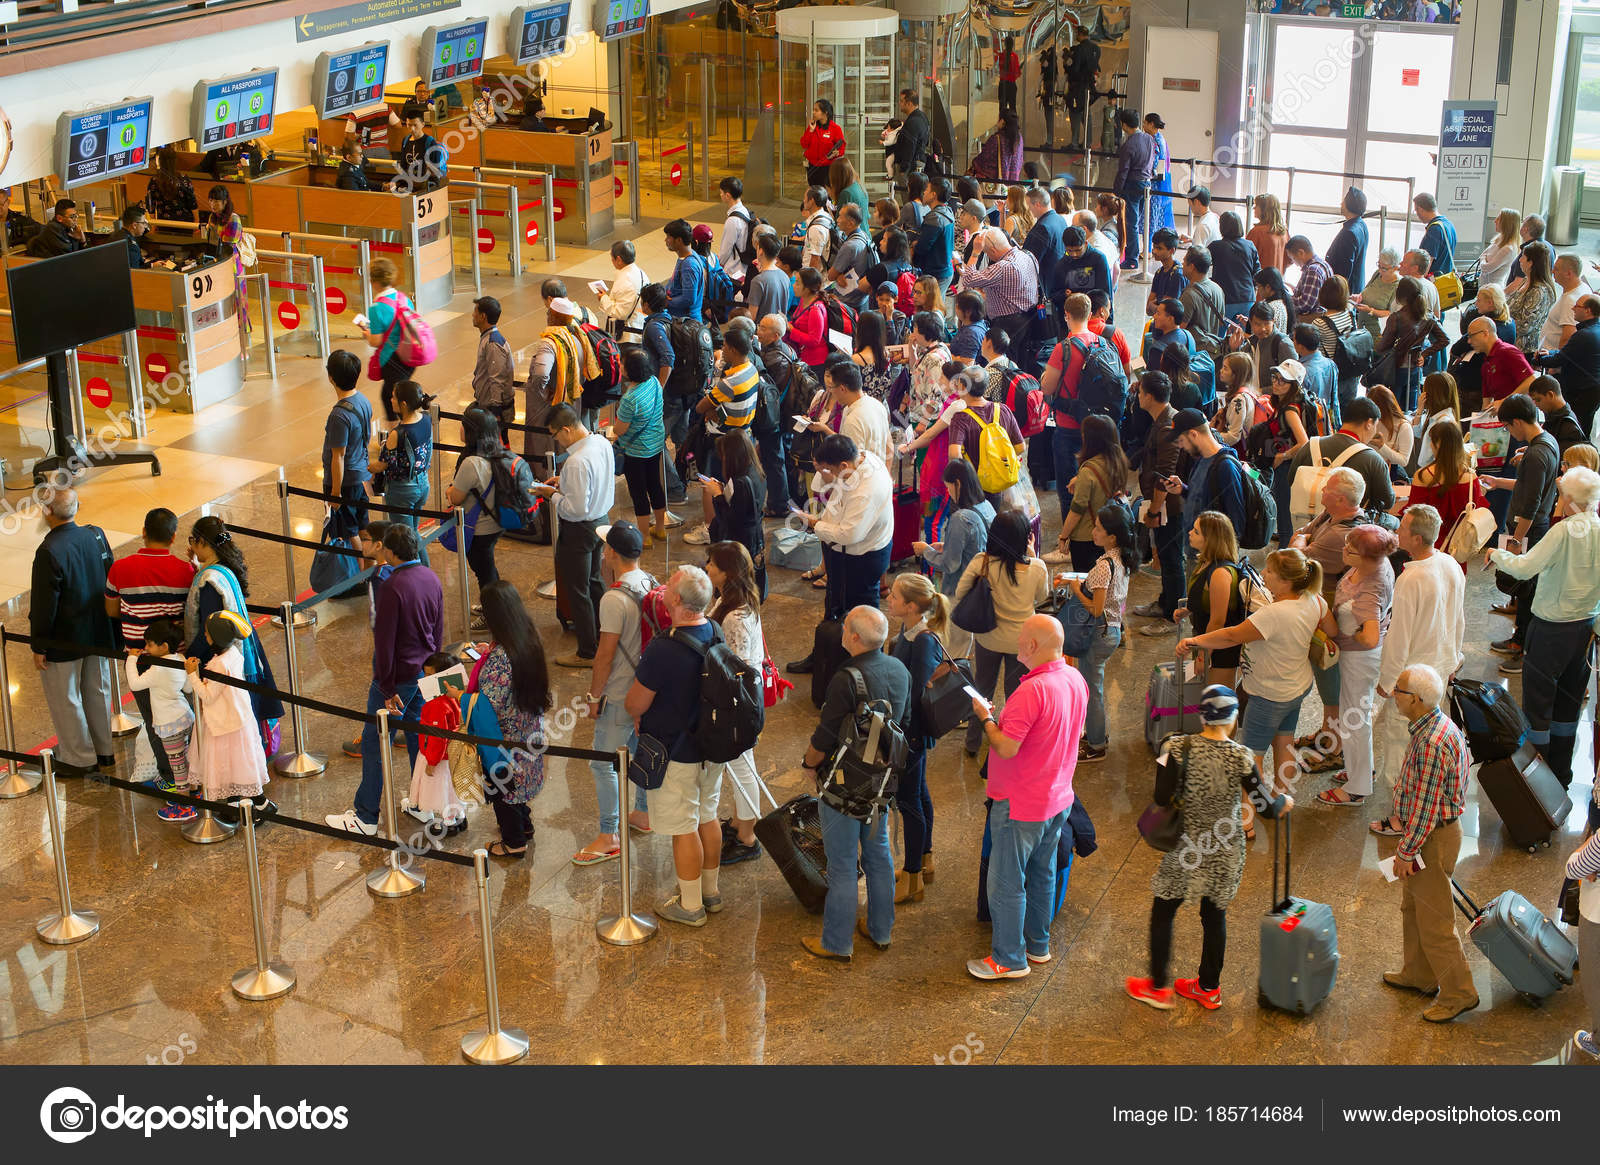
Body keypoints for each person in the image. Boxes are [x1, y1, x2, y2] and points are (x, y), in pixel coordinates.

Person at [1125, 684, 1291, 1010]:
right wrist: (1283, 802)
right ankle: (1208, 987)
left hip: (1188, 848)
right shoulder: (1241, 757)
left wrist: (1167, 764)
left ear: (1202, 717)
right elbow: (1266, 809)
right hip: (1225, 850)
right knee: (1214, 917)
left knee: (1163, 911)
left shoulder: (1175, 748)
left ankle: (1157, 987)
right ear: (1233, 719)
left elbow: (1161, 797)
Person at [966, 614, 1087, 979]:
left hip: (1020, 803)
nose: (1018, 641)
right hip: (1058, 798)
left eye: (1021, 637)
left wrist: (986, 718)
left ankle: (1008, 959)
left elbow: (1005, 747)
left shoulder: (1031, 691)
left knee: (1006, 881)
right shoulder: (1074, 678)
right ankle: (1037, 945)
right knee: (1042, 873)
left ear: (1032, 646)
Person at [795, 605, 910, 961]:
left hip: (844, 784)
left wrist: (809, 764)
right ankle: (880, 930)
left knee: (843, 865)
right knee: (879, 855)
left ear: (855, 637)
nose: (842, 631)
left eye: (845, 627)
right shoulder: (900, 670)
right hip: (882, 781)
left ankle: (836, 943)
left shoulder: (847, 678)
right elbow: (904, 721)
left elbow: (826, 734)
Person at [1178, 548, 1326, 807]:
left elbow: (1231, 636)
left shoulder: (1274, 614)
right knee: (1284, 741)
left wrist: (1194, 641)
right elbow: (1331, 628)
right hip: (1297, 686)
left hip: (1270, 694)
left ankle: (1246, 815)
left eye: (1269, 571)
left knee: (1251, 755)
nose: (1263, 574)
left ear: (1285, 581)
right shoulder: (1313, 599)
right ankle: (1281, 797)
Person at [325, 525, 443, 837]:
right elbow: (439, 627)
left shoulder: (392, 586)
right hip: (423, 671)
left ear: (389, 551)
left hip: (396, 677)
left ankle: (366, 816)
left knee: (375, 742)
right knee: (418, 736)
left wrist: (387, 686)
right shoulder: (430, 576)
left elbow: (385, 640)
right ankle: (422, 802)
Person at [1488, 466, 1600, 788]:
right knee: (1569, 705)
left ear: (1568, 498)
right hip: (1585, 629)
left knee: (1538, 705)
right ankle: (1562, 776)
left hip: (1551, 629)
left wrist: (1497, 554)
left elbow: (1525, 568)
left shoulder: (1563, 531)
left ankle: (1538, 780)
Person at [626, 566, 727, 923]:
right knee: (707, 816)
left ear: (678, 601)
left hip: (676, 753)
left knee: (684, 828)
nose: (664, 587)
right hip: (711, 747)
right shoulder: (714, 630)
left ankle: (691, 906)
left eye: (669, 585)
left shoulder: (664, 648)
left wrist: (636, 710)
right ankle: (710, 893)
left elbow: (636, 703)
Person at [1379, 664, 1478, 1023]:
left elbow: (1426, 809)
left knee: (1436, 922)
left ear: (1417, 700)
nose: (1394, 694)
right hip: (1429, 834)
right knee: (1413, 908)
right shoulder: (1434, 724)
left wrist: (1406, 852)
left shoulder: (1432, 743)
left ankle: (1459, 992)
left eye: (1400, 690)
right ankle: (1419, 974)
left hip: (1431, 838)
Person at [575, 520, 656, 863]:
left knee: (602, 764)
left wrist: (594, 697)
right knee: (639, 752)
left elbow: (605, 655)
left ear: (610, 553)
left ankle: (608, 835)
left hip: (620, 694)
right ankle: (644, 813)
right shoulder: (650, 581)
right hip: (646, 691)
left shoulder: (613, 598)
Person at [103, 507, 195, 785]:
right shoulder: (185, 571)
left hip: (140, 658)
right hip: (177, 660)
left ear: (143, 532)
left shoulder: (120, 568)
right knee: (183, 715)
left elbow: (111, 610)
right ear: (173, 536)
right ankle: (191, 771)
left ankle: (170, 777)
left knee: (155, 720)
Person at [29, 489, 115, 778]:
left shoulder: (48, 550)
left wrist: (39, 644)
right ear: (78, 506)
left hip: (64, 638)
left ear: (46, 511)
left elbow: (44, 604)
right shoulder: (96, 535)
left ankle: (78, 758)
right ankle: (104, 750)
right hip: (98, 631)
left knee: (66, 698)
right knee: (98, 690)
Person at [1311, 524, 1396, 808]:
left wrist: (1352, 634)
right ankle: (1361, 769)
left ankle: (1357, 788)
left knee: (1354, 718)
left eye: (1351, 548)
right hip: (1357, 658)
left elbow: (1370, 637)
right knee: (1354, 715)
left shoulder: (1370, 589)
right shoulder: (1374, 565)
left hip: (1359, 659)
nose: (1345, 549)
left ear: (1368, 557)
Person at [182, 515, 284, 749]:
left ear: (202, 542)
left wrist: (190, 655)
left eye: (193, 541)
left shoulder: (209, 581)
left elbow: (210, 628)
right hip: (244, 646)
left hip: (221, 655)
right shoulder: (225, 568)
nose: (192, 546)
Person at [954, 509, 1050, 756]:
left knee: (982, 689)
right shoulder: (1037, 568)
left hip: (988, 638)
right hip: (1022, 642)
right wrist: (1032, 555)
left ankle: (972, 742)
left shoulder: (982, 562)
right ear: (1026, 537)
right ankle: (1009, 740)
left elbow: (960, 593)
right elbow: (1041, 598)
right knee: (1015, 694)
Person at [472, 582, 552, 860]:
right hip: (529, 729)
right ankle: (525, 825)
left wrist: (460, 696)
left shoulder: (500, 658)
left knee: (504, 791)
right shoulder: (527, 638)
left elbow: (487, 704)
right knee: (521, 785)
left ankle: (514, 841)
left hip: (504, 739)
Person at [701, 542, 768, 865]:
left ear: (726, 572)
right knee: (742, 766)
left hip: (738, 703)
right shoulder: (732, 600)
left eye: (712, 564)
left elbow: (737, 667)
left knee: (742, 767)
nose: (707, 568)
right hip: (739, 700)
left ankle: (748, 837)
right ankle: (742, 822)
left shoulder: (735, 616)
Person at [531, 404, 613, 666]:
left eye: (555, 434)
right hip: (601, 521)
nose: (556, 440)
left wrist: (551, 495)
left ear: (566, 430)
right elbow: (595, 481)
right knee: (595, 580)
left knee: (578, 590)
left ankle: (587, 652)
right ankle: (605, 634)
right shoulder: (601, 442)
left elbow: (575, 509)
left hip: (579, 530)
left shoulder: (576, 462)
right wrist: (563, 483)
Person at [1485, 393, 1562, 673]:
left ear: (1517, 421)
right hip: (1532, 527)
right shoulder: (1546, 442)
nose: (1509, 432)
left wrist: (1517, 541)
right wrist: (1498, 482)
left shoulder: (1537, 454)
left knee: (1527, 589)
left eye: (1507, 426)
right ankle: (1519, 640)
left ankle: (1522, 649)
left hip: (1530, 530)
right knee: (1525, 589)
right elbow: (1529, 487)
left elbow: (1530, 503)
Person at [884, 574, 947, 900]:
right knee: (919, 794)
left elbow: (913, 691)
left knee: (909, 802)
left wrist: (900, 736)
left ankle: (912, 879)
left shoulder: (922, 640)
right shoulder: (908, 631)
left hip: (910, 734)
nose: (889, 599)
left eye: (895, 596)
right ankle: (924, 860)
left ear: (910, 606)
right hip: (910, 732)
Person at [796, 434, 894, 623]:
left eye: (829, 469)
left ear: (843, 466)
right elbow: (827, 486)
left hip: (861, 559)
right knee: (838, 605)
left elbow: (849, 534)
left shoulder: (865, 491)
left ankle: (856, 641)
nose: (825, 474)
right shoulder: (860, 457)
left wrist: (815, 524)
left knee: (860, 615)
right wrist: (824, 472)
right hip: (845, 551)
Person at [185, 612, 273, 817]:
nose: (204, 636)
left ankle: (258, 804)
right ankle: (242, 804)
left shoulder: (219, 665)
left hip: (223, 724)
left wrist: (192, 675)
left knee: (228, 764)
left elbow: (208, 696)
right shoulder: (233, 652)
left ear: (216, 637)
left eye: (207, 633)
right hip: (238, 717)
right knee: (240, 764)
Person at [1067, 503, 1136, 762]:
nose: (1093, 532)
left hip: (1099, 633)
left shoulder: (1105, 566)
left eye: (1097, 528)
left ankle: (1096, 745)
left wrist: (1076, 589)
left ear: (1112, 537)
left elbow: (1096, 609)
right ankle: (1096, 734)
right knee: (1094, 687)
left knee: (1092, 691)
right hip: (1113, 629)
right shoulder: (1122, 559)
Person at [125, 620, 195, 821]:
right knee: (188, 758)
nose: (146, 648)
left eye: (149, 644)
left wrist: (131, 659)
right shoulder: (180, 658)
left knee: (177, 765)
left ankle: (185, 805)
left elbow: (135, 684)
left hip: (169, 725)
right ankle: (194, 791)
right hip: (186, 717)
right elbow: (188, 688)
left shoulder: (158, 669)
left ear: (163, 646)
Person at [447, 407, 516, 605]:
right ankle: (498, 607)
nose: (460, 429)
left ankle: (493, 613)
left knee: (484, 574)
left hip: (479, 528)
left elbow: (456, 498)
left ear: (471, 432)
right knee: (488, 568)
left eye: (463, 426)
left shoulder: (471, 463)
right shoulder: (501, 453)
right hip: (498, 521)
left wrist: (449, 491)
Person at [1132, 374, 1186, 625]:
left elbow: (1166, 474)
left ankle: (1171, 617)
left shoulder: (1167, 427)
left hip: (1170, 507)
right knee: (1165, 557)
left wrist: (1154, 510)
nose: (1138, 396)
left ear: (1150, 397)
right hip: (1165, 505)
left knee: (1172, 560)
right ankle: (1165, 602)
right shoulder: (1164, 420)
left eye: (1140, 392)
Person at [914, 458, 995, 617]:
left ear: (957, 483)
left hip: (960, 592)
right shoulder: (986, 506)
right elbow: (977, 543)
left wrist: (926, 551)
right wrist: (947, 545)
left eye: (948, 487)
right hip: (982, 586)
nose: (949, 493)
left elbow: (950, 564)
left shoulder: (960, 518)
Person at [1048, 413, 1126, 569]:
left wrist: (1063, 537)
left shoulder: (1088, 471)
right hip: (1108, 533)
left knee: (1085, 579)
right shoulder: (1118, 461)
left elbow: (1076, 511)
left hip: (1086, 537)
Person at [1396, 420, 1485, 553]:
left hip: (1427, 546)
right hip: (1459, 545)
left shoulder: (1423, 476)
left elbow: (1413, 513)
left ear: (1438, 444)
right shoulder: (1471, 477)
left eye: (1431, 441)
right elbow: (1476, 510)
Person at [406, 651, 469, 835]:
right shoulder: (457, 697)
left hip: (438, 758)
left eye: (428, 675)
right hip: (454, 754)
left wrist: (432, 762)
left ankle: (447, 823)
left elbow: (437, 737)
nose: (424, 679)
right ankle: (460, 817)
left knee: (440, 791)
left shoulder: (435, 705)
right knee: (452, 789)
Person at [1167, 408, 1247, 548]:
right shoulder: (1201, 459)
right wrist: (1183, 490)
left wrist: (1215, 555)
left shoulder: (1225, 467)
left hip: (1211, 554)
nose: (1180, 446)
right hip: (1197, 551)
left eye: (1181, 440)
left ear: (1193, 434)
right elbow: (1204, 499)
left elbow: (1236, 522)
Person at [611, 348, 668, 545]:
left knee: (639, 492)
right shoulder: (654, 382)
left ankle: (644, 536)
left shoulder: (630, 398)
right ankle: (660, 528)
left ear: (630, 370)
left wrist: (613, 430)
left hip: (635, 450)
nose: (620, 366)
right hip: (655, 444)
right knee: (655, 485)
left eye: (623, 363)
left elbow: (620, 429)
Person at [703, 431, 768, 598]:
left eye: (724, 455)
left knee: (733, 594)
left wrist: (717, 495)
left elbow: (731, 521)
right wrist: (722, 488)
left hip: (737, 547)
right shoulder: (756, 471)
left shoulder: (741, 482)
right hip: (751, 542)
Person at [1375, 276, 1449, 409]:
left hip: (1397, 367)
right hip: (1416, 367)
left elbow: (1383, 346)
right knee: (1412, 406)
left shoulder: (1396, 318)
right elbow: (1444, 339)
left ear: (1400, 295)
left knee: (1394, 407)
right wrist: (1424, 354)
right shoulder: (1428, 316)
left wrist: (1378, 340)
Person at [359, 257, 414, 422]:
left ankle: (398, 433)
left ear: (373, 281)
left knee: (391, 399)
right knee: (400, 393)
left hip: (393, 359)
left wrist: (366, 333)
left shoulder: (376, 308)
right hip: (410, 354)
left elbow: (375, 341)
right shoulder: (403, 298)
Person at [1113, 109, 1154, 270]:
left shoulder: (1128, 145)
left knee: (1131, 223)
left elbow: (1123, 171)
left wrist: (1117, 190)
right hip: (1147, 183)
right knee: (1139, 221)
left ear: (1124, 125)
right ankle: (1135, 255)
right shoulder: (1149, 138)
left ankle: (1131, 259)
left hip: (1132, 185)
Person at [203, 186, 249, 329]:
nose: (212, 204)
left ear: (225, 202)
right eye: (211, 200)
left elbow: (228, 244)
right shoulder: (212, 218)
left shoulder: (233, 219)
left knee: (238, 298)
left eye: (216, 201)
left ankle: (242, 329)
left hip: (232, 264)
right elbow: (211, 240)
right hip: (217, 263)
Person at [1465, 314, 1536, 404]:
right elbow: (1487, 400)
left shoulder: (1507, 352)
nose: (1469, 341)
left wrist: (1503, 402)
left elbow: (1531, 380)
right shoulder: (1486, 363)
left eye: (1471, 336)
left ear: (1485, 333)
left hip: (1520, 409)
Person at [469, 296, 516, 433]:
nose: (472, 315)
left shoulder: (493, 343)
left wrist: (495, 412)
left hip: (494, 410)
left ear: (483, 316)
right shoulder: (488, 338)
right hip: (488, 406)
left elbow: (497, 379)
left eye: (475, 311)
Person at [1228, 302, 1294, 390]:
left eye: (1266, 323)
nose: (1262, 329)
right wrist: (1234, 349)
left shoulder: (1283, 344)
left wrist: (1262, 391)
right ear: (1250, 323)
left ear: (1273, 321)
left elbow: (1292, 381)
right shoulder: (1252, 342)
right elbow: (1239, 368)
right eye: (1257, 324)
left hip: (1270, 397)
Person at [1209, 212, 1260, 323]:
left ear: (1222, 227)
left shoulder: (1215, 246)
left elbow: (1202, 263)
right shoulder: (1250, 245)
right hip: (1247, 298)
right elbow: (1257, 273)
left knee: (1219, 332)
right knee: (1243, 332)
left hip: (1225, 299)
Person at [1508, 243, 1558, 357]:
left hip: (1523, 349)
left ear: (1531, 263)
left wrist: (1502, 323)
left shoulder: (1538, 291)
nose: (1520, 260)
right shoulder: (1525, 280)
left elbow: (1526, 326)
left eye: (1523, 256)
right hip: (1511, 342)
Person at [1409, 372, 1461, 473]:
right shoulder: (1437, 417)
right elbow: (1417, 433)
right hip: (1429, 471)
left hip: (1432, 474)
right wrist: (1419, 410)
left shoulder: (1443, 423)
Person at [1541, 253, 1594, 353]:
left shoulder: (1571, 301)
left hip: (1551, 355)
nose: (1552, 271)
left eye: (1556, 269)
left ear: (1569, 274)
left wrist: (1555, 360)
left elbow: (1567, 338)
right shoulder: (1583, 287)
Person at [912, 178, 956, 295]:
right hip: (945, 270)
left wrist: (914, 245)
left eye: (926, 190)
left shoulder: (935, 218)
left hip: (935, 274)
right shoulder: (948, 211)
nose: (923, 192)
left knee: (932, 305)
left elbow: (922, 247)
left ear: (933, 195)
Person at [1293, 323, 1341, 432]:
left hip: (1311, 423)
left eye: (1294, 340)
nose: (1293, 342)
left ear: (1301, 346)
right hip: (1328, 419)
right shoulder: (1330, 363)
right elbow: (1335, 398)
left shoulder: (1301, 372)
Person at [598, 240, 648, 338]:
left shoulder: (625, 281)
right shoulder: (641, 273)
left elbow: (620, 313)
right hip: (640, 324)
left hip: (628, 333)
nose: (611, 261)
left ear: (619, 259)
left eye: (612, 258)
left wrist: (603, 298)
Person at [391, 103, 446, 191]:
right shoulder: (405, 141)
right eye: (409, 125)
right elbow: (403, 165)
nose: (412, 128)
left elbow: (435, 170)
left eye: (415, 125)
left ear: (423, 124)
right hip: (410, 185)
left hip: (426, 186)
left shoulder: (430, 142)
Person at [1529, 375, 1590, 453]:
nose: (1536, 405)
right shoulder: (1556, 416)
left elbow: (1562, 456)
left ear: (1550, 395)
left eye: (1538, 400)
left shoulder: (1568, 426)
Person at [1180, 246, 1226, 346]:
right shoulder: (1218, 289)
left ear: (1192, 267)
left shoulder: (1189, 294)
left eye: (1184, 261)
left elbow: (1180, 330)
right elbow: (1221, 322)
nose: (1182, 264)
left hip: (1193, 350)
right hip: (1211, 350)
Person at [1326, 187, 1369, 290]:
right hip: (1356, 287)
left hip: (1345, 291)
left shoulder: (1349, 233)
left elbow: (1344, 270)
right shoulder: (1362, 225)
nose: (1341, 204)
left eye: (1344, 201)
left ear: (1350, 205)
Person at [663, 218, 706, 320]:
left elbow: (689, 299)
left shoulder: (689, 265)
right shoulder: (687, 256)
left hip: (685, 322)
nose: (666, 240)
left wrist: (666, 302)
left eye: (668, 237)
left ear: (679, 240)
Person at [1354, 247, 1402, 338]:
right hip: (1362, 329)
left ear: (1395, 268)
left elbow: (1392, 313)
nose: (1380, 269)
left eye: (1384, 268)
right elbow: (1365, 291)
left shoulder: (1398, 286)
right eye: (1379, 265)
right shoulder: (1377, 274)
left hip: (1377, 334)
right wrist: (1358, 297)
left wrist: (1371, 310)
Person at [145, 147, 198, 224]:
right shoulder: (184, 179)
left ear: (159, 161)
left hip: (163, 222)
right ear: (175, 161)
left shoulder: (154, 181)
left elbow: (150, 205)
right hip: (185, 223)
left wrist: (154, 225)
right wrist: (196, 222)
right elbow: (193, 203)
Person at [1285, 235, 1333, 320]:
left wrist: (1285, 299)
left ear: (1301, 253)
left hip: (1311, 320)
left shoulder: (1313, 270)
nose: (1294, 263)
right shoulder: (1323, 264)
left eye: (1293, 258)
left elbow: (1305, 304)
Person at [889, 89, 931, 185]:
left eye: (901, 101)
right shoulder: (922, 117)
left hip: (910, 167)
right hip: (916, 163)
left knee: (907, 192)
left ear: (909, 103)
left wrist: (903, 169)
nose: (899, 103)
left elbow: (909, 146)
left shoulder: (913, 122)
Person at [801, 99, 846, 188]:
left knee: (826, 192)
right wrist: (810, 131)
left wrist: (837, 153)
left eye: (816, 110)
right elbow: (804, 144)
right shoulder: (812, 126)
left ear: (825, 113)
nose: (813, 112)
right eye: (813, 110)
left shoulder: (835, 129)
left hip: (827, 168)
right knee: (814, 192)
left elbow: (842, 147)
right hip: (812, 167)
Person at [1412, 192, 1456, 276]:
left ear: (1420, 209)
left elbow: (1425, 265)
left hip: (1434, 280)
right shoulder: (1449, 224)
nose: (1417, 214)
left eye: (1416, 210)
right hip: (1446, 278)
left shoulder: (1434, 230)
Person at [1477, 208, 1523, 288]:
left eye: (1498, 219)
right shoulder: (1498, 239)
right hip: (1485, 287)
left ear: (1506, 223)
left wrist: (1483, 259)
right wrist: (1484, 259)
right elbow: (1482, 256)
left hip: (1493, 290)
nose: (1495, 221)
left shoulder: (1508, 249)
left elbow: (1486, 268)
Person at [949, 292, 988, 365]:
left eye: (957, 306)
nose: (955, 308)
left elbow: (967, 363)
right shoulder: (978, 324)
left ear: (968, 312)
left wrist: (944, 355)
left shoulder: (971, 334)